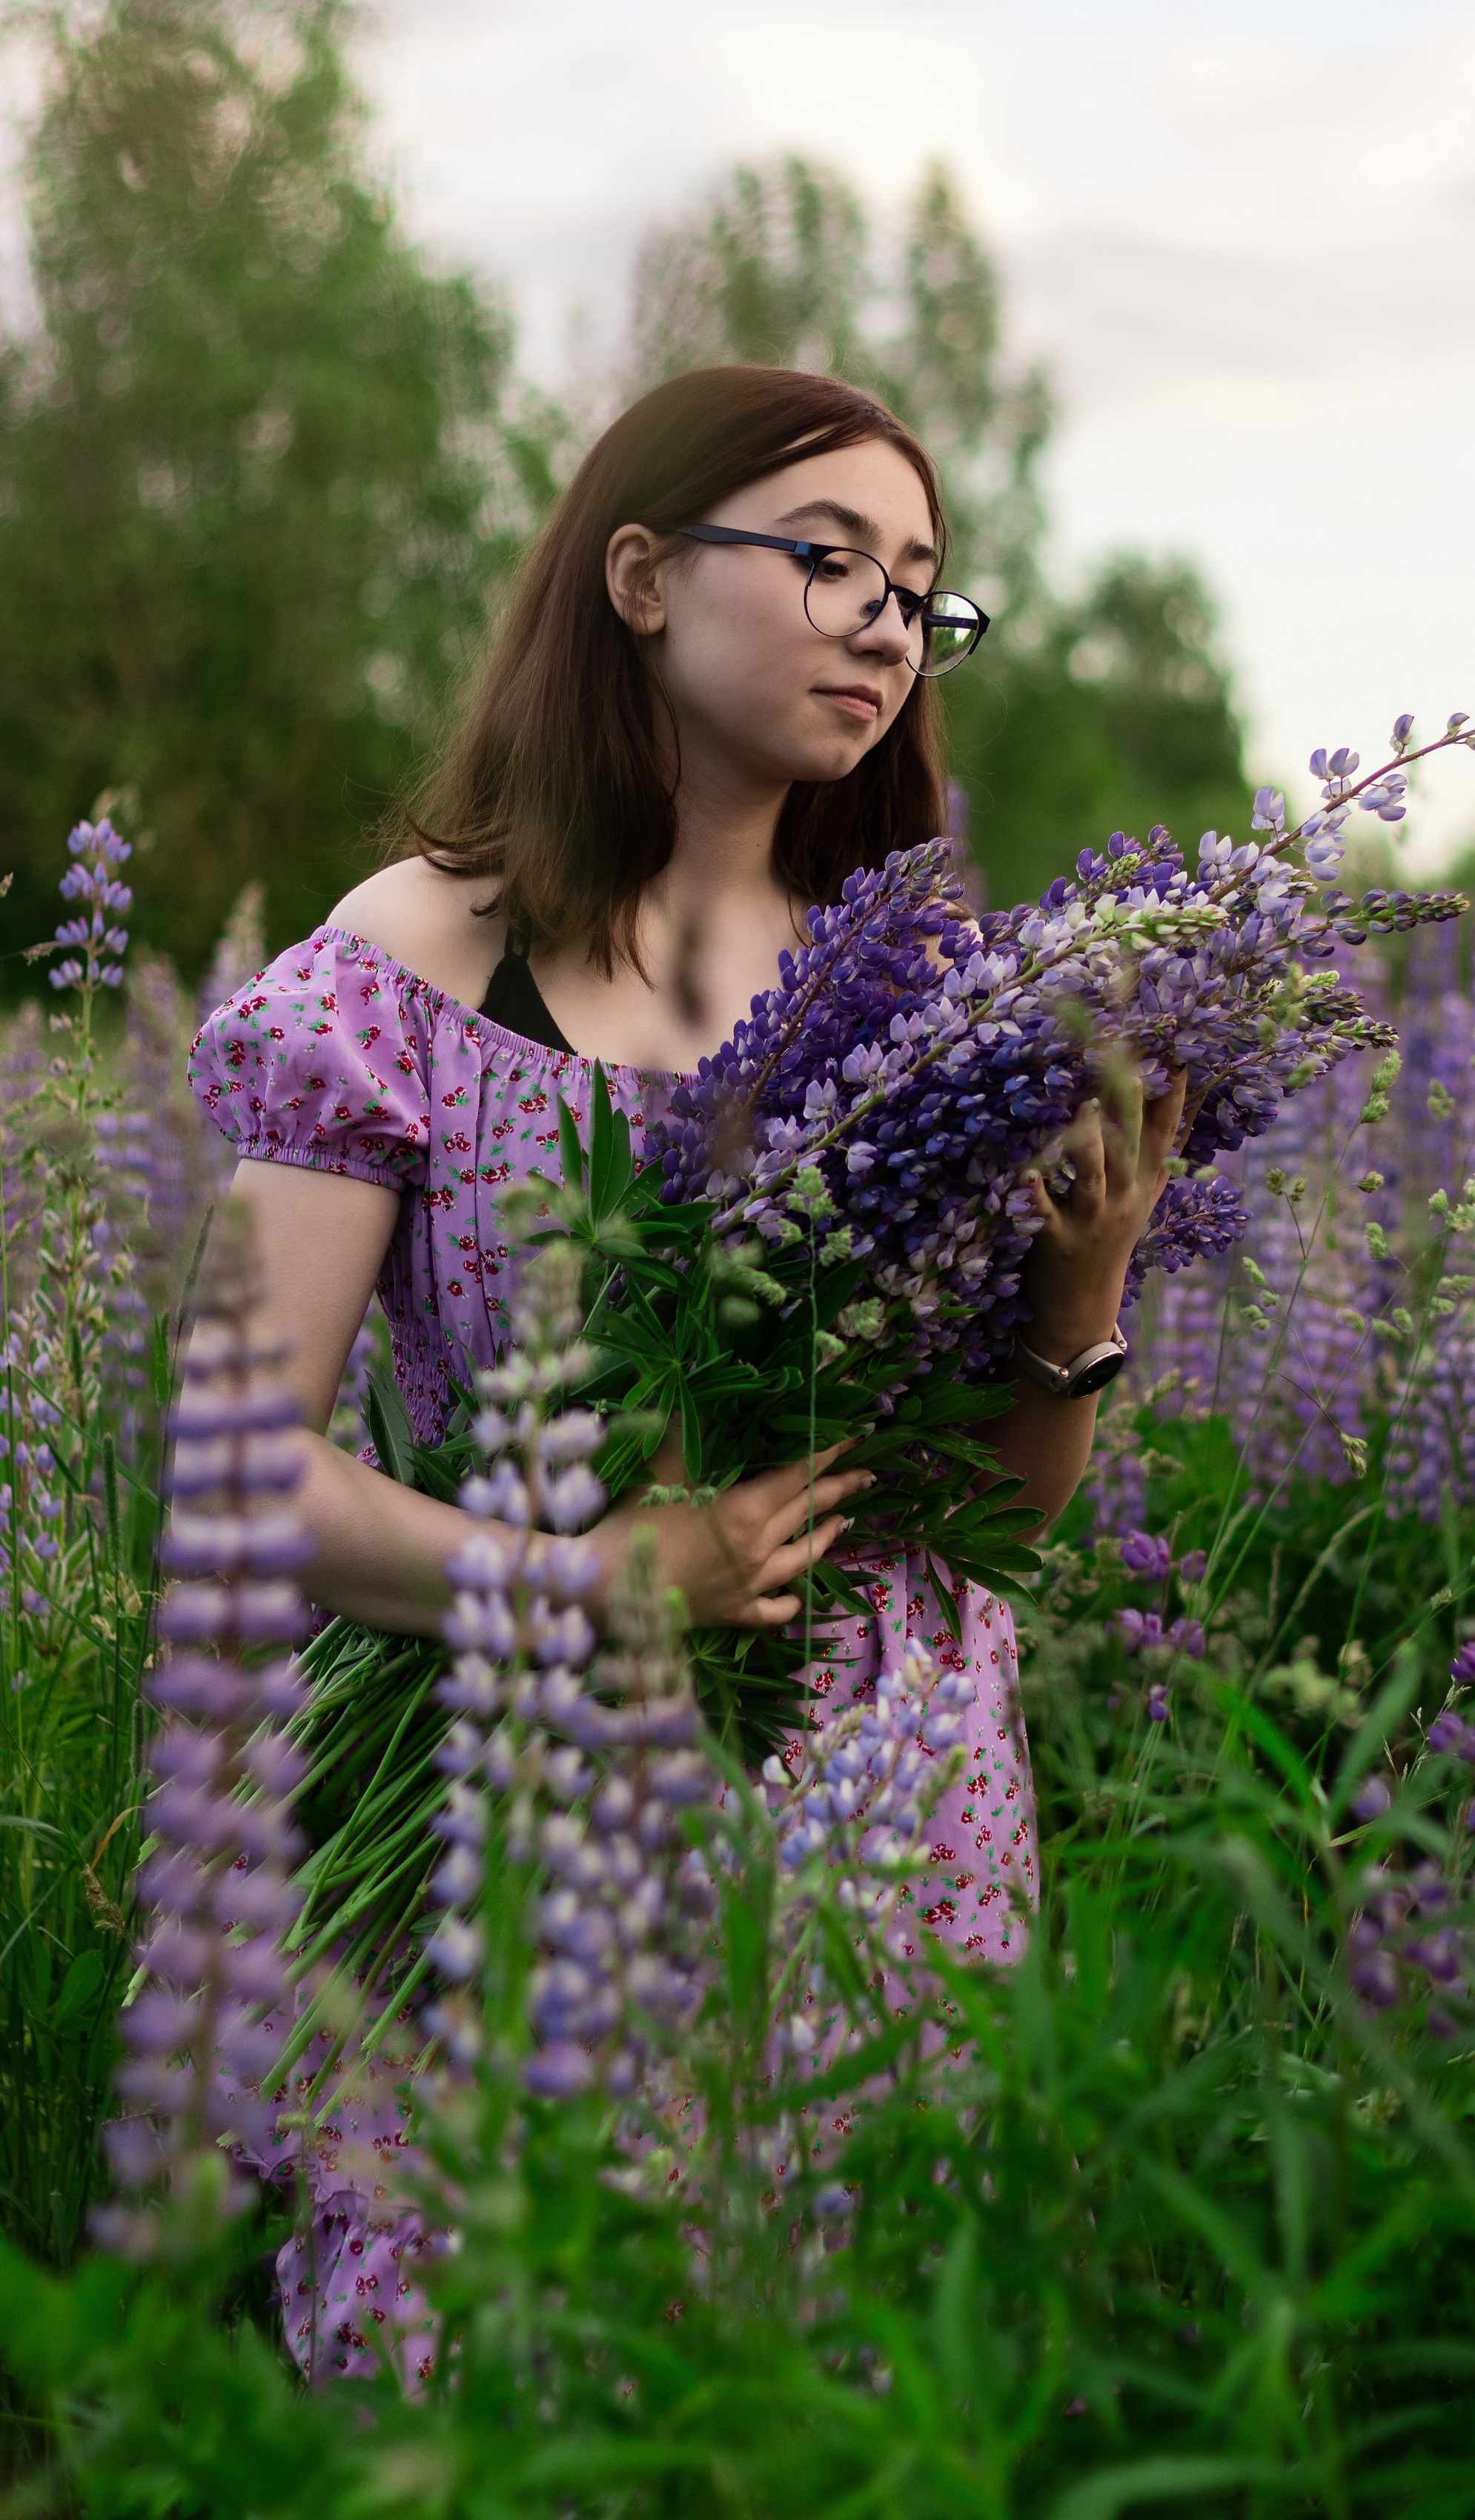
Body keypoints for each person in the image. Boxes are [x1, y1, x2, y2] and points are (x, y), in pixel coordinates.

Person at [190, 362, 1184, 1967]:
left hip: (893, 1825)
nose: (883, 623)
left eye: (921, 593)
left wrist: (1081, 1290)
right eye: (827, 557)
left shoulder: (933, 1003)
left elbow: (973, 1519)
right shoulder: (412, 964)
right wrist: (577, 1583)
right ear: (641, 577)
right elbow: (234, 1464)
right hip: (518, 1812)